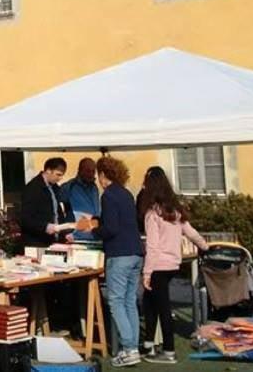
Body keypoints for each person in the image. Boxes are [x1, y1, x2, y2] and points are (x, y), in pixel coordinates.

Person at [137, 166, 209, 365]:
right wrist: (205, 246)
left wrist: (146, 273)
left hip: (158, 265)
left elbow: (152, 246)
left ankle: (169, 350)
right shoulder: (174, 211)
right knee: (150, 302)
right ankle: (148, 343)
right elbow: (191, 232)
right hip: (172, 264)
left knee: (162, 308)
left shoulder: (152, 214)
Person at [77, 156, 143, 368]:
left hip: (119, 254)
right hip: (135, 252)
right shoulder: (126, 193)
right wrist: (99, 220)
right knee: (129, 301)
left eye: (98, 175)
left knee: (116, 302)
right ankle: (132, 347)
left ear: (104, 175)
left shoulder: (108, 195)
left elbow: (111, 228)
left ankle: (129, 348)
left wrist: (93, 229)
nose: (98, 180)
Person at [19, 158, 75, 246]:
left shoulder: (54, 188)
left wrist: (65, 233)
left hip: (53, 241)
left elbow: (57, 213)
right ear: (48, 171)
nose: (60, 178)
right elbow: (25, 219)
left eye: (62, 175)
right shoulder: (33, 188)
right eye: (58, 174)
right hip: (37, 242)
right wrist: (45, 227)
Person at [61, 157, 100, 241]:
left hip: (94, 234)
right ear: (80, 170)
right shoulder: (68, 187)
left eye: (93, 171)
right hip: (75, 236)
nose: (91, 174)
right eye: (88, 171)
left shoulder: (94, 188)